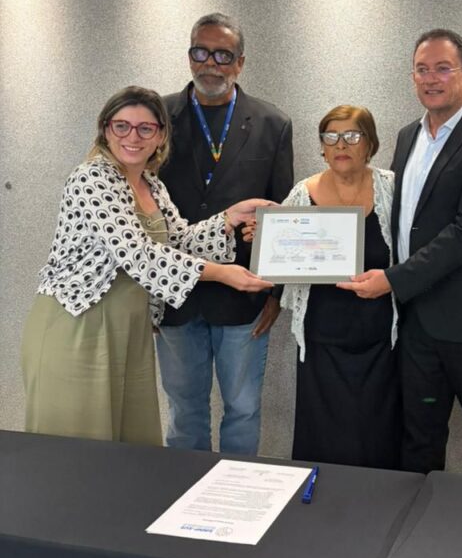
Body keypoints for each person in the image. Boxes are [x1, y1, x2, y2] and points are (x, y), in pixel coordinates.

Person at [21, 86, 273, 446]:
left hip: (129, 328)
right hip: (78, 324)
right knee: (77, 450)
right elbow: (137, 254)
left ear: (160, 136)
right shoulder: (92, 178)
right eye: (122, 126)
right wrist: (222, 274)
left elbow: (178, 240)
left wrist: (229, 218)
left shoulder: (151, 184)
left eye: (145, 128)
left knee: (128, 448)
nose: (133, 137)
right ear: (106, 130)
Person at [340, 29, 462, 475]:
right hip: (414, 321)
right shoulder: (407, 136)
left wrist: (393, 280)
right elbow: (394, 215)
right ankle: (417, 516)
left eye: (443, 68)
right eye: (422, 69)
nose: (431, 78)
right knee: (419, 439)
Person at [156, 13, 293, 455]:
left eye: (222, 55)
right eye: (201, 52)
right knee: (184, 409)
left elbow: (282, 213)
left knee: (243, 408)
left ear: (240, 62)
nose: (210, 64)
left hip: (243, 296)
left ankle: (236, 490)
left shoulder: (272, 123)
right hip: (176, 295)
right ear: (189, 55)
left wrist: (276, 295)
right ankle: (184, 486)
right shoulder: (156, 119)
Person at [261, 105, 400, 468]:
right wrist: (265, 240)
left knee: (379, 434)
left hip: (382, 340)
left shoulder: (392, 189)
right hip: (321, 339)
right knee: (323, 438)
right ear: (322, 147)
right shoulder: (301, 194)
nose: (341, 144)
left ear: (370, 144)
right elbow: (279, 259)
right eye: (331, 136)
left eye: (352, 136)